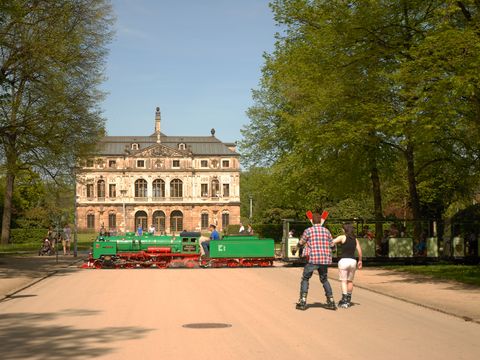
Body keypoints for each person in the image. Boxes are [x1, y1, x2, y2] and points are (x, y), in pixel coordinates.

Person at [295, 212, 336, 311]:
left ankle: (303, 301)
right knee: (324, 279)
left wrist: (297, 247)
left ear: (312, 221)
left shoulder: (308, 230)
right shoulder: (326, 231)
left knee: (305, 278)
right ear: (321, 220)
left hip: (313, 259)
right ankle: (331, 301)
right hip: (324, 260)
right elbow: (332, 245)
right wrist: (332, 250)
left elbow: (301, 242)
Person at [332, 223, 363, 308]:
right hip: (353, 261)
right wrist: (360, 260)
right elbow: (360, 251)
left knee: (343, 281)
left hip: (344, 261)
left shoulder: (342, 237)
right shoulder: (355, 239)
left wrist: (333, 247)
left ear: (344, 230)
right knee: (350, 281)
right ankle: (348, 299)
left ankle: (344, 300)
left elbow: (331, 242)